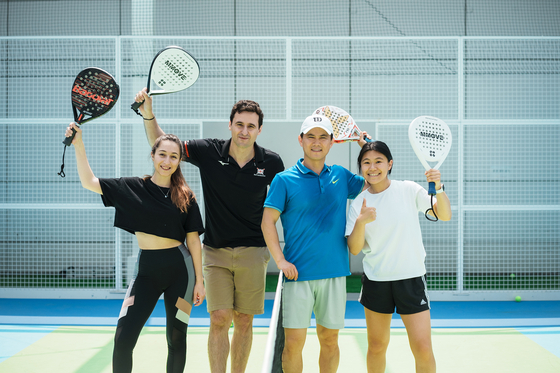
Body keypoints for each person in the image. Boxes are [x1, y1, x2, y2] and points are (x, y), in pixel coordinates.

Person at [133, 89, 284, 373]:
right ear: (230, 125)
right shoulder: (209, 150)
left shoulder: (272, 163)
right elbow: (163, 145)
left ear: (259, 130)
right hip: (214, 251)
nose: (244, 130)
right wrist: (148, 114)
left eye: (251, 126)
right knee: (219, 318)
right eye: (239, 124)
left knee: (243, 320)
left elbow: (286, 203)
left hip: (254, 251)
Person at [64, 123, 205, 373]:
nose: (167, 161)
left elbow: (193, 241)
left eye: (174, 156)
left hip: (181, 274)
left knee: (176, 339)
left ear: (179, 161)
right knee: (123, 339)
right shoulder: (132, 187)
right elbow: (89, 181)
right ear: (152, 155)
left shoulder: (186, 196)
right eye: (162, 154)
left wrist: (200, 281)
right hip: (146, 273)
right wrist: (78, 144)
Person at [261, 114, 368, 373]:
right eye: (311, 136)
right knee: (294, 344)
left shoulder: (342, 176)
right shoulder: (284, 180)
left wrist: (366, 147)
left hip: (334, 273)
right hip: (298, 275)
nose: (316, 142)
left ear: (332, 143)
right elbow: (267, 222)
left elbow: (375, 178)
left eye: (323, 137)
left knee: (329, 341)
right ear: (301, 140)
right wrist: (281, 260)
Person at [345, 141, 452, 373]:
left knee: (423, 348)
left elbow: (444, 215)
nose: (372, 167)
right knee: (376, 346)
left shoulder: (409, 189)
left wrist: (439, 188)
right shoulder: (357, 203)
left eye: (378, 161)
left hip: (411, 280)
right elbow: (354, 248)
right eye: (366, 163)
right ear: (360, 167)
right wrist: (361, 222)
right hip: (376, 281)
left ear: (390, 164)